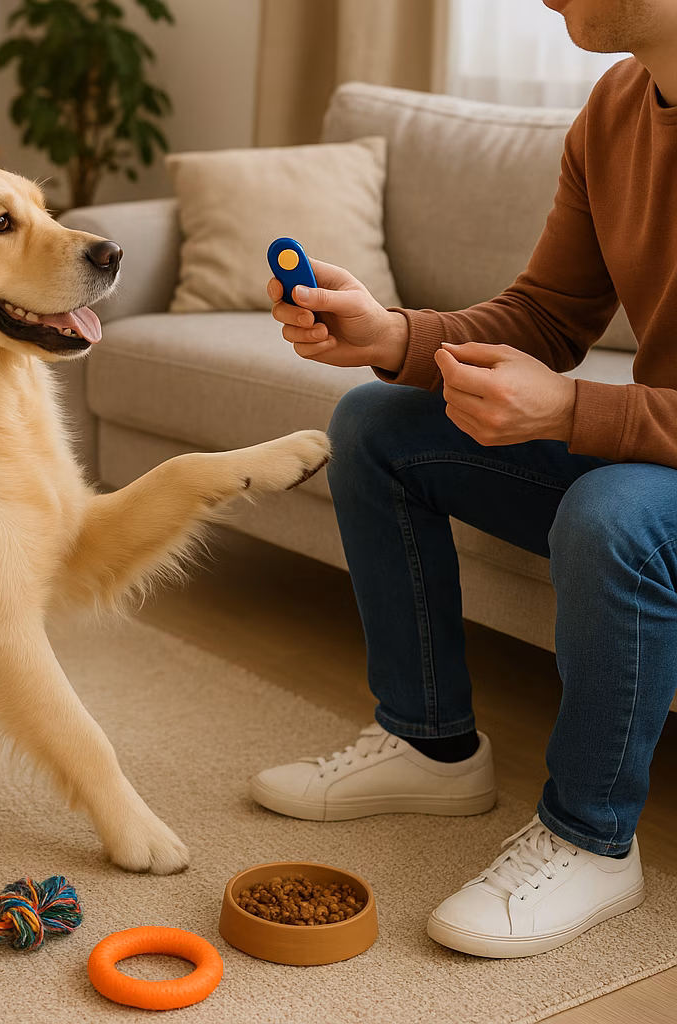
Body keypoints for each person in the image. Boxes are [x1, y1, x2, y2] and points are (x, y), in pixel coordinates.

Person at [251, 0, 677, 959]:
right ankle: (430, 744)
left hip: (655, 489)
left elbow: (576, 398)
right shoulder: (616, 109)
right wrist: (397, 336)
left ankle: (593, 836)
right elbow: (548, 314)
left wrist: (574, 414)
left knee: (618, 514)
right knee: (381, 425)